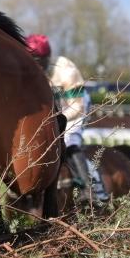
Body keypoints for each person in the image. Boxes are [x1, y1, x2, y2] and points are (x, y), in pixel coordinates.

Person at [26, 34, 109, 203]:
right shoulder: (27, 71)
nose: (35, 66)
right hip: (53, 112)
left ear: (47, 58)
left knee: (69, 141)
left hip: (76, 108)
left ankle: (89, 189)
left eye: (38, 61)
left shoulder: (66, 70)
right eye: (31, 61)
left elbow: (77, 107)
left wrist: (54, 119)